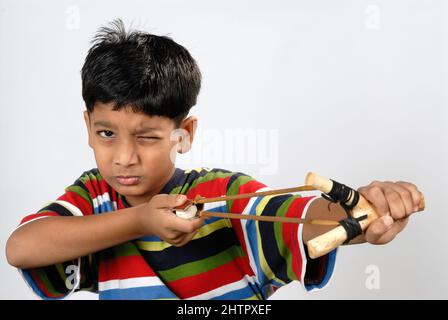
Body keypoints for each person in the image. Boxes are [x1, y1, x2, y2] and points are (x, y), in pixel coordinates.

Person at [5, 19, 423, 300]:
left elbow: (295, 216)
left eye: (147, 137)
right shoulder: (94, 197)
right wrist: (141, 221)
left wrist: (357, 215)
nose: (124, 157)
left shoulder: (219, 193)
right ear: (87, 125)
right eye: (106, 133)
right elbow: (21, 247)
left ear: (184, 134)